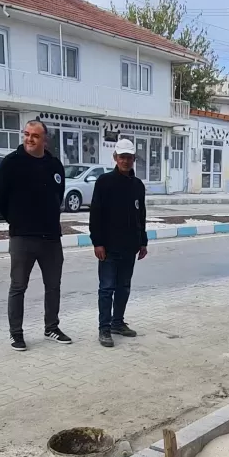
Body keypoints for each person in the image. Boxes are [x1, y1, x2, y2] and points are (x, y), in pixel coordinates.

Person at [0, 119, 69, 352]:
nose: (29, 139)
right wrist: (16, 219)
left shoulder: (55, 166)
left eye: (35, 135)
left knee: (53, 285)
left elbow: (58, 196)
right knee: (18, 287)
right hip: (22, 238)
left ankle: (51, 327)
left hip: (51, 239)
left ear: (44, 140)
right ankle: (16, 334)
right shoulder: (12, 163)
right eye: (26, 134)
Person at [90, 138, 148, 348]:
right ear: (115, 158)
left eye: (129, 158)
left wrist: (143, 242)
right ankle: (104, 329)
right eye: (122, 157)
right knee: (107, 288)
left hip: (130, 247)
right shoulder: (104, 182)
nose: (125, 161)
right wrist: (97, 242)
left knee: (124, 287)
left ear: (134, 159)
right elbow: (95, 214)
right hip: (108, 247)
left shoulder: (137, 186)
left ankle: (118, 322)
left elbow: (141, 215)